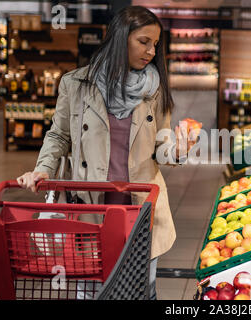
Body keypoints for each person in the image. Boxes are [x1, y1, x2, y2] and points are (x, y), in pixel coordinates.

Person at [16, 6, 197, 300]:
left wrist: (179, 150)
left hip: (140, 207)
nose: (151, 51)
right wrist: (43, 169)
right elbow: (58, 135)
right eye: (143, 41)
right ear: (120, 38)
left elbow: (162, 151)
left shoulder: (155, 90)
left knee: (140, 289)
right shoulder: (75, 84)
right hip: (91, 206)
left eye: (155, 44)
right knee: (92, 288)